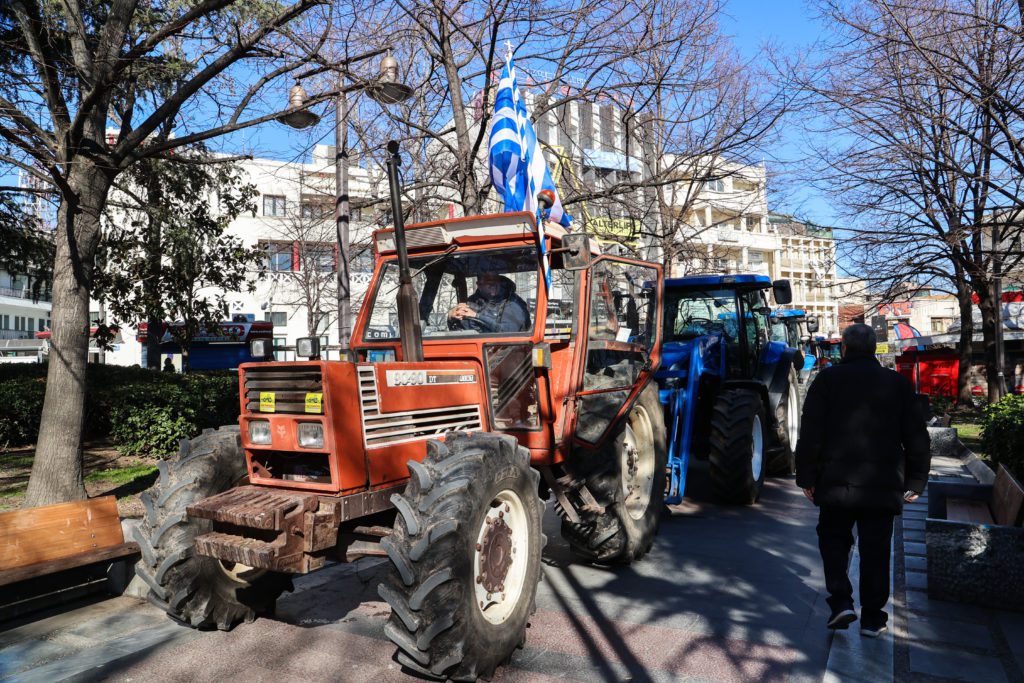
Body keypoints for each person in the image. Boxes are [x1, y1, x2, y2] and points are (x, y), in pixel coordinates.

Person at [795, 323, 930, 637]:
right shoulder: (897, 384)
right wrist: (917, 479)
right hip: (882, 484)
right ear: (872, 349)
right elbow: (916, 436)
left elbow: (810, 434)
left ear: (844, 347)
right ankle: (872, 617)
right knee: (876, 550)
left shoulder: (826, 381)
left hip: (835, 481)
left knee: (833, 541)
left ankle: (841, 601)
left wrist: (806, 477)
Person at [447, 273, 530, 333]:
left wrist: (477, 316)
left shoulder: (513, 302)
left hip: (510, 353)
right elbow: (460, 331)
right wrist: (451, 318)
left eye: (495, 280)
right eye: (488, 281)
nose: (492, 284)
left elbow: (509, 333)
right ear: (479, 285)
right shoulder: (471, 302)